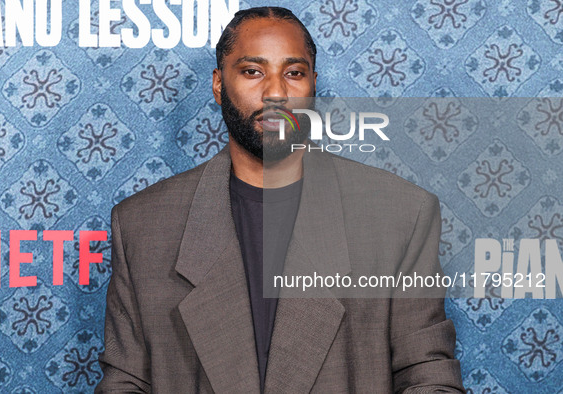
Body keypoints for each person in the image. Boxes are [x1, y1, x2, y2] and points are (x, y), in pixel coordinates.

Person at [95, 6, 465, 393]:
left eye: (293, 73)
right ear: (219, 84)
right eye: (253, 71)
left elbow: (427, 376)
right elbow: (126, 381)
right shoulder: (142, 225)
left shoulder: (401, 215)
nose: (276, 92)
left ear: (313, 85)